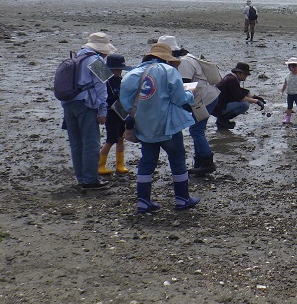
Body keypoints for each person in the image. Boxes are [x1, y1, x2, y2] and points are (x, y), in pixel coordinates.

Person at [120, 42, 200, 213]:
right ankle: (182, 198)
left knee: (147, 161)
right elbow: (179, 99)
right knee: (177, 159)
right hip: (167, 125)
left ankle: (143, 201)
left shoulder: (132, 74)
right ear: (167, 58)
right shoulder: (168, 71)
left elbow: (126, 104)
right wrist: (189, 94)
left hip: (144, 126)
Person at [158, 35, 220, 176]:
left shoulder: (183, 62)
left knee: (196, 130)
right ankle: (199, 163)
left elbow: (185, 85)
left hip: (204, 99)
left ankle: (207, 162)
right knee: (197, 129)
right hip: (208, 96)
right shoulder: (188, 57)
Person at [61, 32, 116, 190]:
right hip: (86, 105)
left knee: (76, 143)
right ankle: (91, 180)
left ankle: (81, 178)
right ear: (102, 50)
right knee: (91, 143)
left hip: (68, 103)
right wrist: (102, 111)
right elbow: (102, 88)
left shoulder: (75, 57)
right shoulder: (96, 60)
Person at [98, 53, 130, 175]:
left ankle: (120, 165)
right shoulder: (106, 82)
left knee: (121, 138)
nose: (119, 72)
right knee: (110, 140)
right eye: (117, 70)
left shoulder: (121, 80)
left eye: (120, 70)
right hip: (111, 114)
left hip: (121, 113)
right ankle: (100, 165)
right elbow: (106, 98)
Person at [212, 62, 265, 130]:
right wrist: (256, 101)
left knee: (245, 102)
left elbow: (238, 92)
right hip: (218, 108)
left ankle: (224, 121)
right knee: (245, 105)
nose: (246, 77)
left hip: (217, 106)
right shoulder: (232, 80)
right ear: (239, 73)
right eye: (245, 74)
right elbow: (240, 98)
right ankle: (222, 120)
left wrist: (255, 96)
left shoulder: (231, 77)